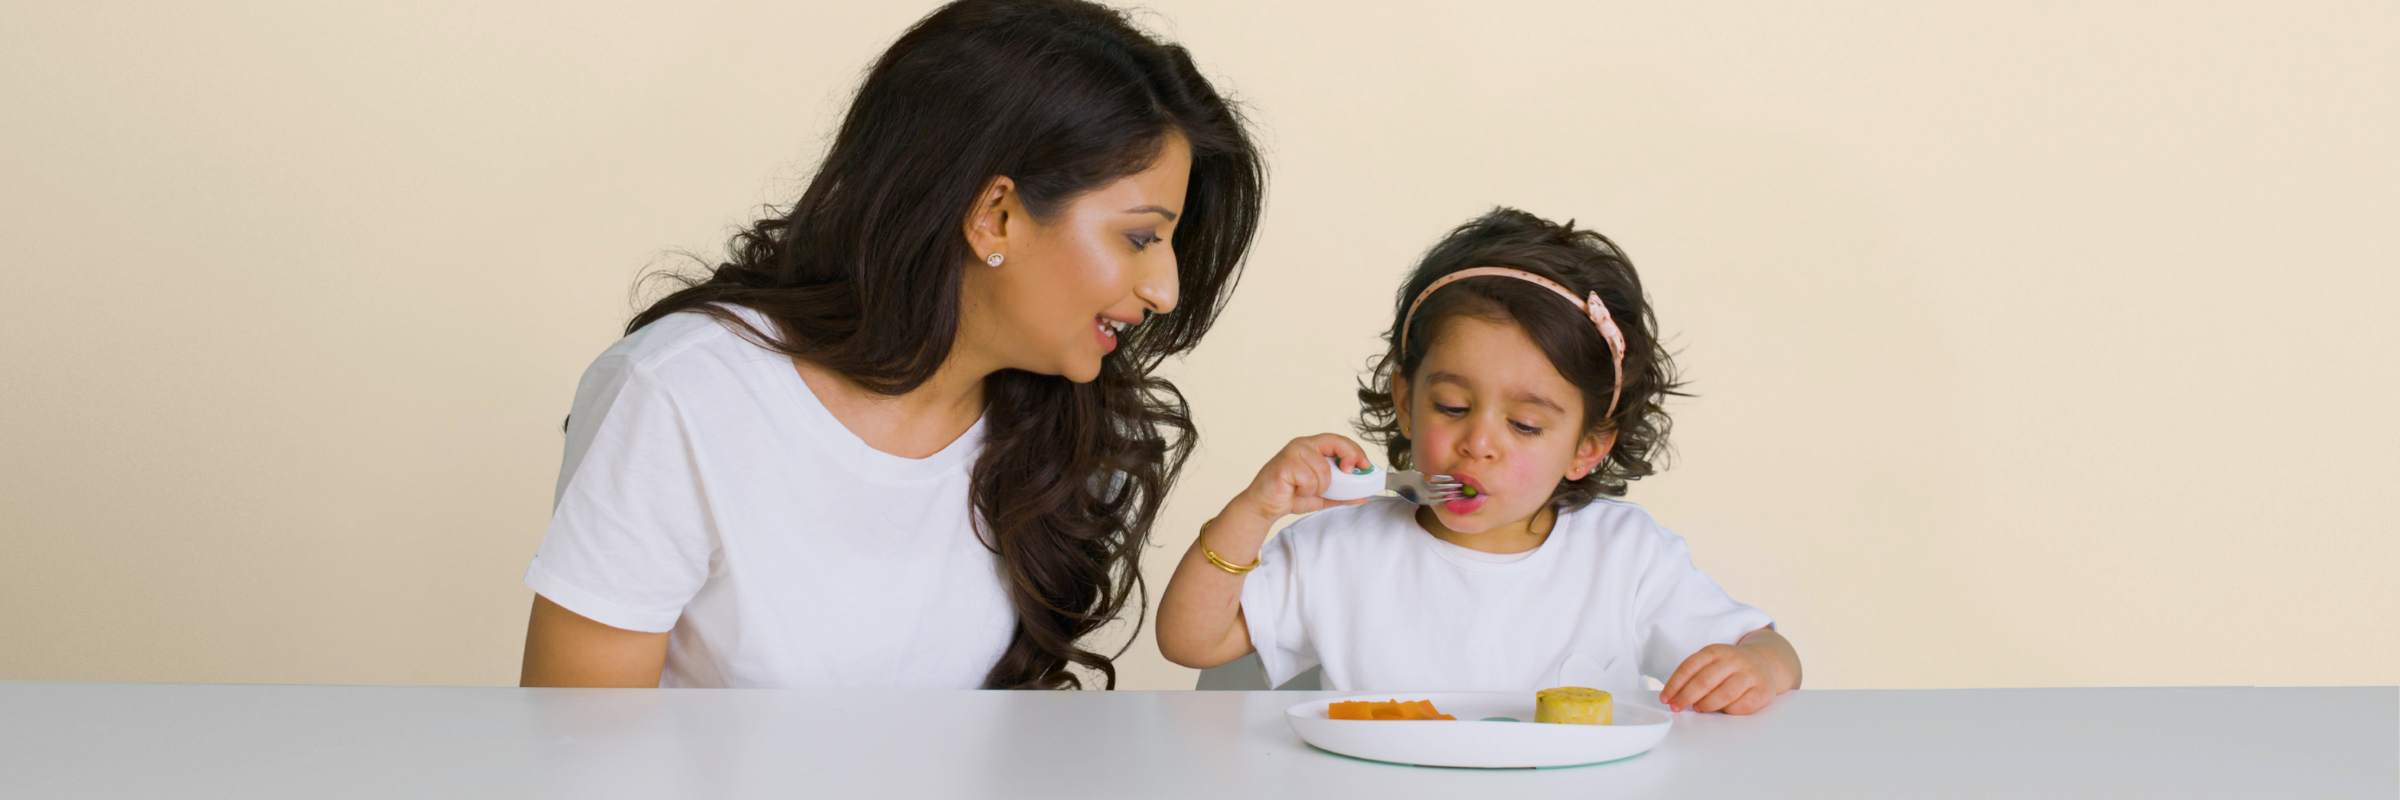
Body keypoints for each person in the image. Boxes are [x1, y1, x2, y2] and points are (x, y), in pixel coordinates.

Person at [519, 0, 1262, 690]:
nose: (1164, 290)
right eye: (1139, 237)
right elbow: (579, 756)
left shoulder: (1060, 429)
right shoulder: (682, 396)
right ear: (996, 216)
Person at [1156, 208, 1800, 714]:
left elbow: (1770, 649)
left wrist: (1760, 668)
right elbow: (1191, 642)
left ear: (1586, 447)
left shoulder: (1627, 556)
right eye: (1454, 406)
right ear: (1405, 403)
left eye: (1524, 424)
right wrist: (1254, 509)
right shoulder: (1340, 548)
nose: (1479, 443)